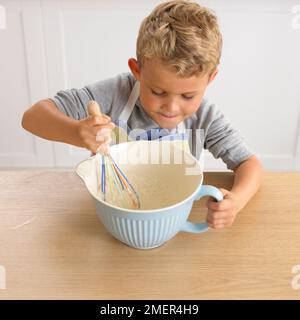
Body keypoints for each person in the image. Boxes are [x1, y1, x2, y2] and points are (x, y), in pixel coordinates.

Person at [22, 0, 263, 229]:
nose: (171, 107)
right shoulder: (115, 94)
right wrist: (75, 132)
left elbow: (248, 163)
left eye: (187, 96)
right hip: (113, 220)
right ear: (137, 70)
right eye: (158, 91)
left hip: (174, 224)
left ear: (210, 79)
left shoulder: (206, 117)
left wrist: (237, 201)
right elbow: (33, 117)